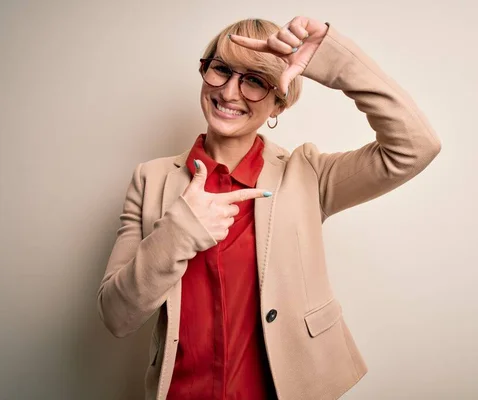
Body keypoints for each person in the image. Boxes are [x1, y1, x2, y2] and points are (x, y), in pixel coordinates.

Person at [97, 15, 441, 400]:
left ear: (279, 103)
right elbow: (116, 315)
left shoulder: (308, 175)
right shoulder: (151, 179)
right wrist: (177, 233)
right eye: (221, 70)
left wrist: (331, 57)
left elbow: (415, 147)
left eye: (255, 81)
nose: (229, 93)